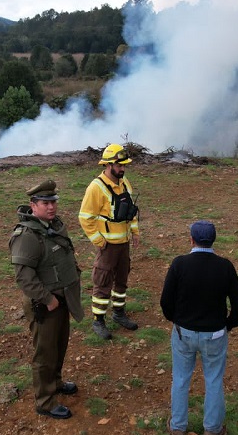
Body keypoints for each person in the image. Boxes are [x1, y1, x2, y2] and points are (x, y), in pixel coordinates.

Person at [160, 220, 238, 435]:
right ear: (213, 240)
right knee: (214, 379)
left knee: (180, 377)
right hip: (214, 334)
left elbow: (165, 301)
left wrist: (176, 320)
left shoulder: (179, 264)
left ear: (191, 239)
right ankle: (212, 430)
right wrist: (227, 325)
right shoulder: (225, 267)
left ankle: (178, 427)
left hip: (184, 332)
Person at [9, 179, 86, 419]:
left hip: (62, 298)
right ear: (33, 205)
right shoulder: (28, 235)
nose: (51, 207)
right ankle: (45, 401)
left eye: (53, 202)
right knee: (44, 354)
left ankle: (56, 383)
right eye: (45, 203)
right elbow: (24, 276)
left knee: (59, 346)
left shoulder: (53, 226)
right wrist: (47, 299)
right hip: (46, 304)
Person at [78, 143, 141, 339]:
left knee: (122, 280)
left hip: (124, 243)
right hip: (107, 246)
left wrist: (135, 232)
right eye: (119, 165)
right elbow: (85, 217)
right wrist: (98, 240)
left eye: (124, 166)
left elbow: (131, 210)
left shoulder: (125, 183)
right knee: (103, 281)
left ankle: (119, 314)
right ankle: (98, 320)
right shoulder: (96, 187)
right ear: (108, 165)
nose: (123, 169)